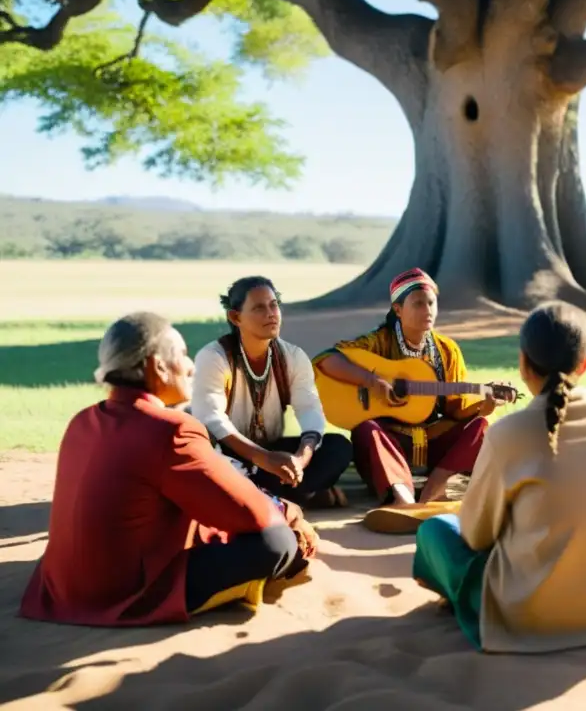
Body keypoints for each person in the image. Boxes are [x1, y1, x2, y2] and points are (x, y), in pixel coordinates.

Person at [20, 312, 305, 627]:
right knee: (277, 542)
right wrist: (289, 512)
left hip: (61, 589)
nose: (191, 366)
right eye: (182, 355)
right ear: (157, 365)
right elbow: (254, 516)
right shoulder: (170, 429)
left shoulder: (81, 422)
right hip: (123, 594)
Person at [412, 301, 586, 653]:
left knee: (435, 531)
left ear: (523, 364)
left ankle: (464, 602)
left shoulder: (507, 433)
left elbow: (475, 534)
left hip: (538, 612)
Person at [313, 268, 495, 505]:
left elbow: (455, 409)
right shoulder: (378, 341)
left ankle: (434, 489)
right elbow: (325, 360)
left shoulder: (446, 350)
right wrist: (371, 381)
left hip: (431, 441)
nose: (428, 310)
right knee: (366, 430)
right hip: (388, 444)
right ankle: (402, 498)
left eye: (431, 303)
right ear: (398, 310)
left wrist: (483, 406)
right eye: (418, 304)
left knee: (480, 427)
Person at [191, 276, 352, 509]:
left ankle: (272, 495)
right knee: (214, 468)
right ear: (236, 317)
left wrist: (301, 459)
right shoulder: (214, 357)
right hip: (230, 454)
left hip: (274, 454)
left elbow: (309, 409)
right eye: (259, 307)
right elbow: (211, 419)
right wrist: (262, 458)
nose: (271, 313)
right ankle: (298, 495)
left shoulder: (293, 356)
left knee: (338, 446)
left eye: (274, 304)